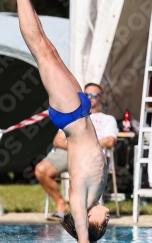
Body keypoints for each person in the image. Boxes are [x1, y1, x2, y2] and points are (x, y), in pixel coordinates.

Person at [5, 0, 110, 243]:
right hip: (78, 112)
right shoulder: (95, 198)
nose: (109, 218)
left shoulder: (81, 202)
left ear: (92, 222)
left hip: (71, 115)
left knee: (39, 48)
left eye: (105, 223)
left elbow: (82, 242)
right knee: (46, 46)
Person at [35, 82, 117, 221]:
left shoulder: (107, 119)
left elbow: (110, 141)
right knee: (41, 169)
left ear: (101, 98)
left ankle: (86, 211)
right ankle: (61, 204)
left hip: (92, 155)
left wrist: (85, 146)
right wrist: (78, 147)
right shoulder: (73, 116)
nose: (90, 97)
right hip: (69, 152)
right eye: (86, 94)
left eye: (94, 95)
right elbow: (57, 141)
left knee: (82, 176)